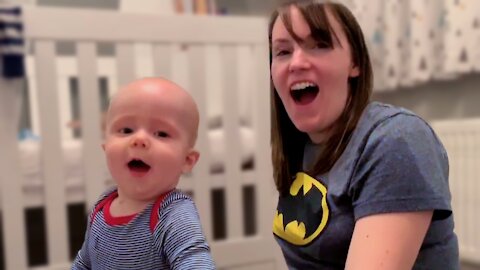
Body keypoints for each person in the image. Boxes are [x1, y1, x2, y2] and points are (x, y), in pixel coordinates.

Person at [269, 1, 459, 269]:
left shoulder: (395, 141)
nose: (296, 63)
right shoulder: (301, 146)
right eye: (283, 51)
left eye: (320, 44)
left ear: (355, 63)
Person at [71, 77, 216, 269]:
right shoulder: (100, 208)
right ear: (106, 148)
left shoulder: (173, 214)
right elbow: (85, 261)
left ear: (187, 160)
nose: (139, 139)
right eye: (126, 130)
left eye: (161, 134)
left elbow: (194, 262)